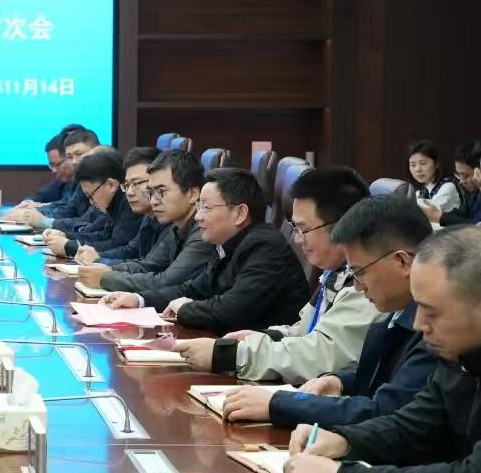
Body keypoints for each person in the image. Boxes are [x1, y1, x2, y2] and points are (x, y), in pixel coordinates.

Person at [283, 226, 481, 473]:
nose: (418, 324)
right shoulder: (458, 357)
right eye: (418, 308)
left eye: (432, 312)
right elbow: (412, 426)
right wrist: (344, 440)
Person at [219, 195, 436, 426]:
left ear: (402, 262)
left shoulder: (433, 330)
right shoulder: (398, 309)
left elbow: (384, 412)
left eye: (360, 272)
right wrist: (338, 381)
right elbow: (381, 380)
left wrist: (278, 404)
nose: (357, 286)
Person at [176, 167, 378, 383]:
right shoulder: (335, 272)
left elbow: (319, 355)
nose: (298, 239)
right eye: (295, 228)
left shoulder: (367, 285)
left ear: (343, 226)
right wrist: (266, 336)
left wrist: (227, 355)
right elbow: (307, 332)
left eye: (304, 229)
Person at [102, 168, 310, 332]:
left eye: (205, 208)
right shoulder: (227, 241)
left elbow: (230, 311)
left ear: (240, 213)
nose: (198, 216)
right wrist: (139, 299)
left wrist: (185, 308)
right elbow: (193, 289)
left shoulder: (264, 247)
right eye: (199, 207)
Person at [86, 149, 213, 294]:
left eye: (161, 192)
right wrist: (108, 268)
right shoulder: (178, 226)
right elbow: (149, 264)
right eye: (151, 192)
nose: (153, 201)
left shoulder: (204, 231)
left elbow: (165, 281)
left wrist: (105, 278)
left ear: (193, 194)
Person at [42, 150, 142, 261]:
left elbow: (116, 245)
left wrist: (69, 246)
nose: (91, 202)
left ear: (111, 185)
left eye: (91, 195)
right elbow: (101, 236)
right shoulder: (111, 202)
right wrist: (66, 236)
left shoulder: (130, 203)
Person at [73, 147, 161, 267]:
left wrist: (98, 260)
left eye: (137, 183)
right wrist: (98, 257)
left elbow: (151, 267)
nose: (129, 192)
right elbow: (131, 250)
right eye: (127, 185)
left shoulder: (170, 222)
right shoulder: (149, 216)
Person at [10, 129, 99, 229]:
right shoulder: (79, 178)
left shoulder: (101, 178)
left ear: (97, 151)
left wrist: (43, 220)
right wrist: (34, 208)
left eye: (79, 154)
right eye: (70, 157)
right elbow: (68, 207)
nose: (74, 161)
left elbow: (80, 218)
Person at [428, 141, 481, 226]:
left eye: (465, 175)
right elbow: (462, 213)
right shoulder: (475, 194)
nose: (461, 181)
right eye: (458, 175)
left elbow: (477, 226)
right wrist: (438, 214)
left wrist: (439, 217)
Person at [408, 139, 462, 214]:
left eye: (423, 163)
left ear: (436, 163)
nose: (418, 169)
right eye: (413, 165)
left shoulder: (448, 187)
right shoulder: (421, 191)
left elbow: (428, 213)